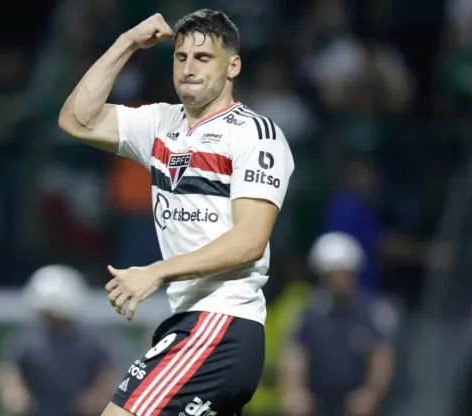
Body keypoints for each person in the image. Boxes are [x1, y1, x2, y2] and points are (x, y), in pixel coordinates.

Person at [58, 9, 295, 416]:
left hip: (219, 323)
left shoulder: (256, 134)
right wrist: (127, 42)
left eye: (203, 58)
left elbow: (250, 241)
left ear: (233, 65)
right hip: (194, 321)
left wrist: (157, 271)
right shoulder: (160, 122)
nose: (188, 68)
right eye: (180, 57)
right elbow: (77, 120)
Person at [280, 232, 397, 416]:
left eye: (344, 272)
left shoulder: (372, 311)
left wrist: (371, 394)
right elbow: (295, 353)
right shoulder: (309, 311)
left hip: (355, 402)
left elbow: (381, 356)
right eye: (332, 274)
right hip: (316, 401)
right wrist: (294, 391)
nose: (339, 279)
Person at [0, 265, 116, 416]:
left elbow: (107, 373)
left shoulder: (92, 342)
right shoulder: (27, 341)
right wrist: (15, 395)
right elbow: (9, 371)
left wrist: (95, 399)